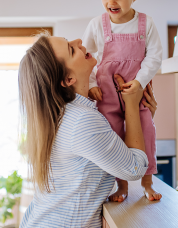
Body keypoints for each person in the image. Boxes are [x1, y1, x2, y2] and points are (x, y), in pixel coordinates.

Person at [18, 33, 158, 228]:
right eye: (71, 49)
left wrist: (142, 118)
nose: (79, 42)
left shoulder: (65, 115)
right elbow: (134, 168)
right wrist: (132, 106)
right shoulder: (82, 120)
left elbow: (117, 153)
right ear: (68, 79)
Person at [82, 0, 163, 201]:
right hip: (107, 92)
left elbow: (155, 57)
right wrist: (94, 86)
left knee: (146, 131)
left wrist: (139, 82)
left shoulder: (145, 23)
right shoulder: (98, 25)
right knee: (114, 135)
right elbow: (87, 60)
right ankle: (122, 186)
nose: (111, 2)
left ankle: (147, 183)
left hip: (136, 91)